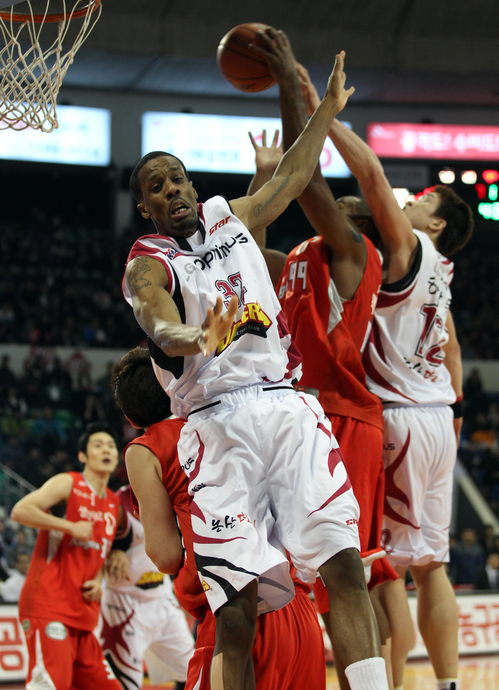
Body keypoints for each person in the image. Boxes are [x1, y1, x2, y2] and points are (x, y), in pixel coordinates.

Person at [122, 34, 388, 690]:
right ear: (146, 206)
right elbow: (158, 322)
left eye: (178, 177)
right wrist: (196, 333)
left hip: (284, 407)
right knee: (236, 616)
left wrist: (313, 104)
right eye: (159, 186)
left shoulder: (230, 217)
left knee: (343, 567)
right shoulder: (147, 263)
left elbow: (295, 174)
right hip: (215, 431)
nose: (174, 190)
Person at [297, 64, 474, 690]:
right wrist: (452, 404)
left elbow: (370, 175)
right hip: (439, 421)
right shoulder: (445, 277)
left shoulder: (411, 249)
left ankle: (389, 686)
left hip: (395, 416)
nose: (410, 201)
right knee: (433, 567)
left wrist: (328, 113)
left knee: (380, 570)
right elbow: (453, 351)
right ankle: (447, 684)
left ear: (438, 225)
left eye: (422, 203)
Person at [251, 31, 398, 690]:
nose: (330, 207)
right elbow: (248, 254)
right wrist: (262, 178)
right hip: (292, 421)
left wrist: (290, 82)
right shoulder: (295, 261)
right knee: (289, 575)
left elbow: (303, 176)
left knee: (347, 574)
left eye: (341, 210)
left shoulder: (353, 257)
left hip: (342, 418)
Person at [111, 346, 327, 690]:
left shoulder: (147, 447)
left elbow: (165, 556)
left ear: (133, 419)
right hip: (298, 609)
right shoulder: (230, 417)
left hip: (232, 612)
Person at [11, 421, 122, 690]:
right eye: (97, 445)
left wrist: (99, 581)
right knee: (49, 685)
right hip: (49, 604)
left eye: (110, 445)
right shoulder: (68, 483)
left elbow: (102, 552)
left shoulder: (113, 502)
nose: (106, 449)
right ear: (83, 456)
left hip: (82, 614)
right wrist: (69, 526)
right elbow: (20, 510)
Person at [100, 484, 194, 690]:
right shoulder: (118, 502)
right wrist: (111, 552)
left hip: (162, 598)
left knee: (192, 673)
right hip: (124, 604)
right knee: (122, 685)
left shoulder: (176, 493)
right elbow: (93, 540)